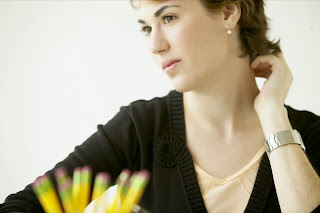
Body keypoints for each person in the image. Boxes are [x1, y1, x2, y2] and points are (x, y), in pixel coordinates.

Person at [1, 0, 320, 212]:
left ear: (227, 12)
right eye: (145, 28)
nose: (155, 45)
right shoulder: (140, 128)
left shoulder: (311, 134)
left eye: (168, 17)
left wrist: (273, 113)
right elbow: (21, 207)